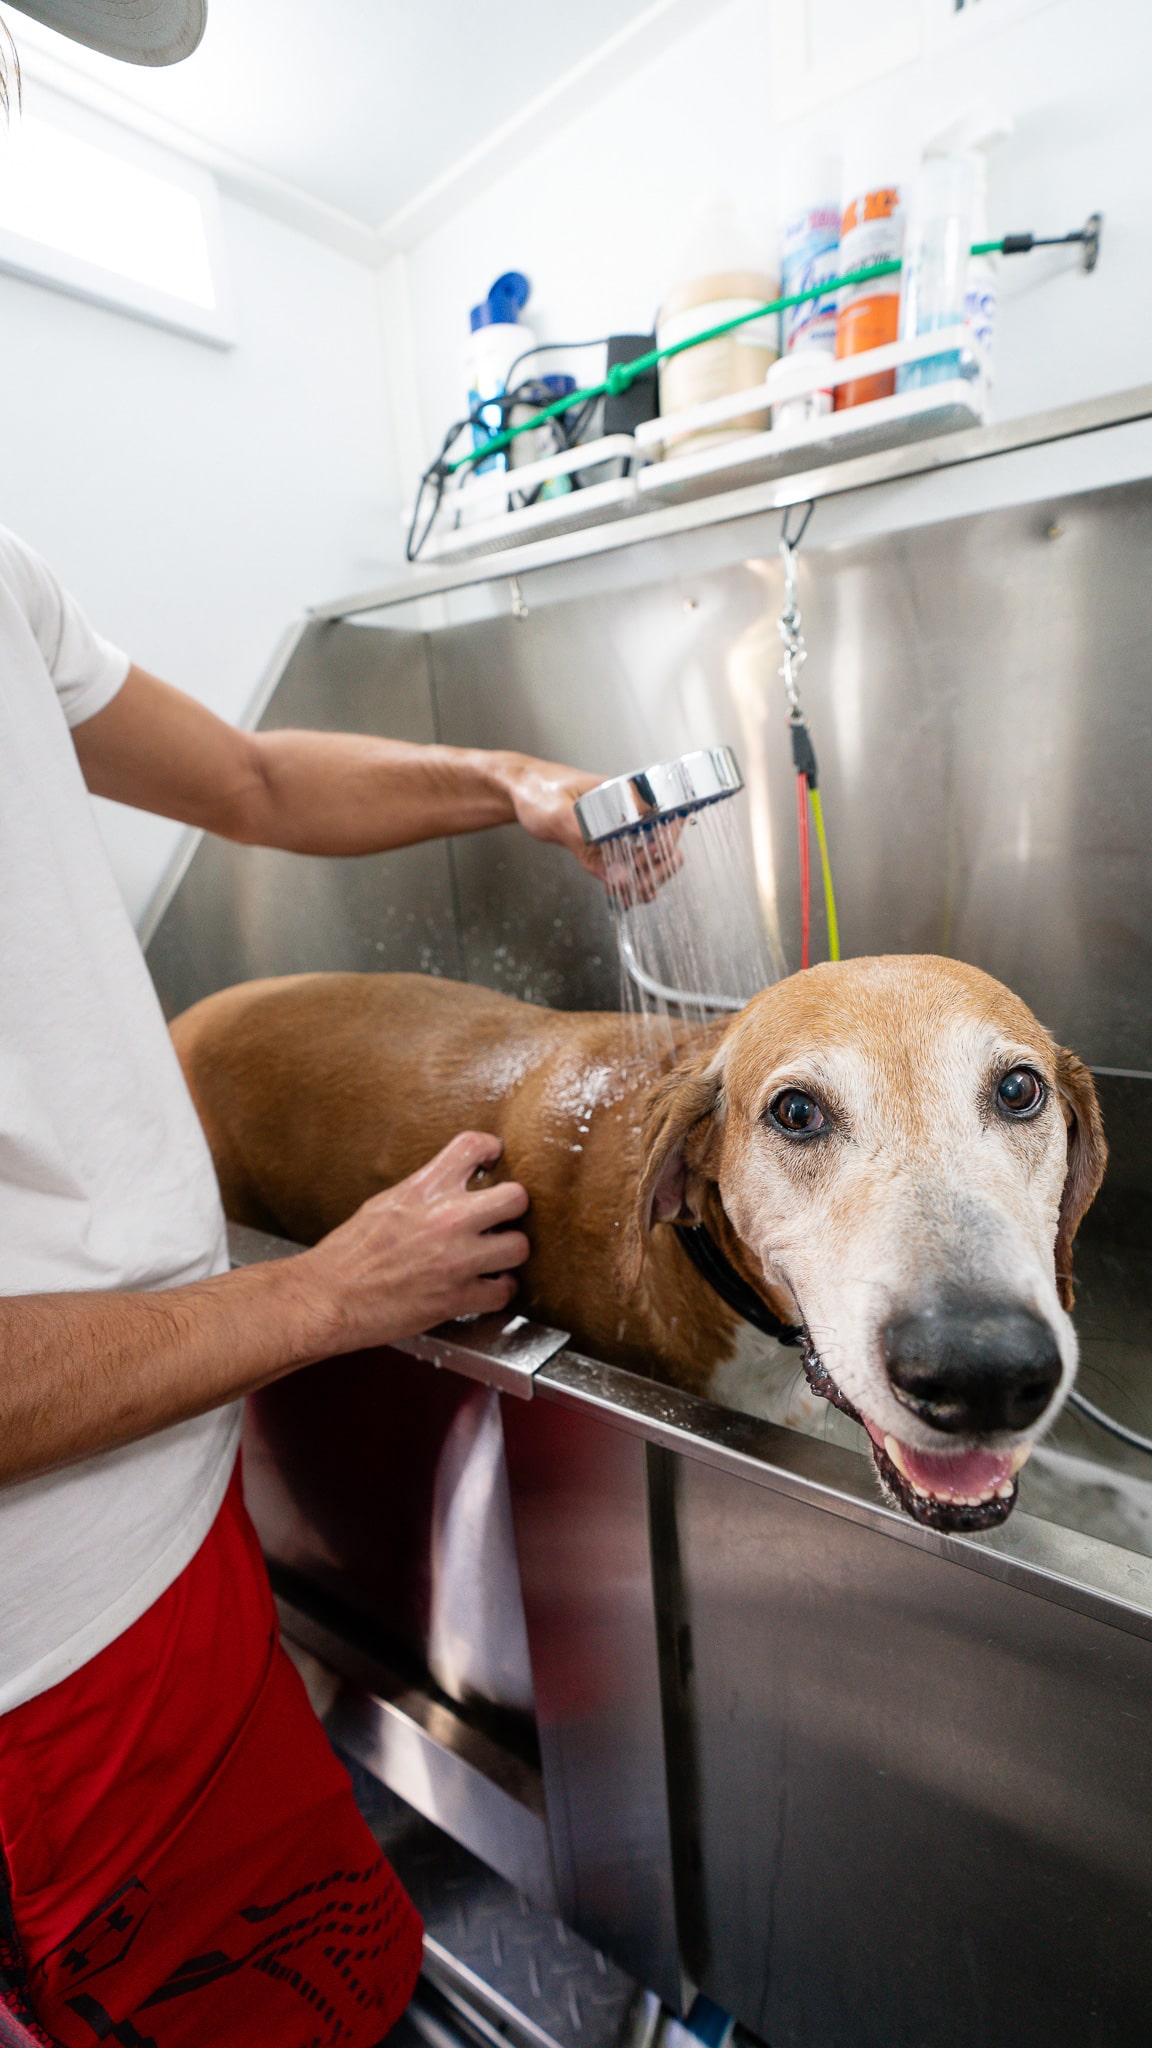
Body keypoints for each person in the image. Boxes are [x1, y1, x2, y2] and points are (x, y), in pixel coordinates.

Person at [0, 14, 611, 2045]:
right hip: (46, 1654)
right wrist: (326, 1295)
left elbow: (254, 780)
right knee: (307, 1994)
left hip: (154, 1518)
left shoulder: (1, 576)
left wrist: (507, 780)